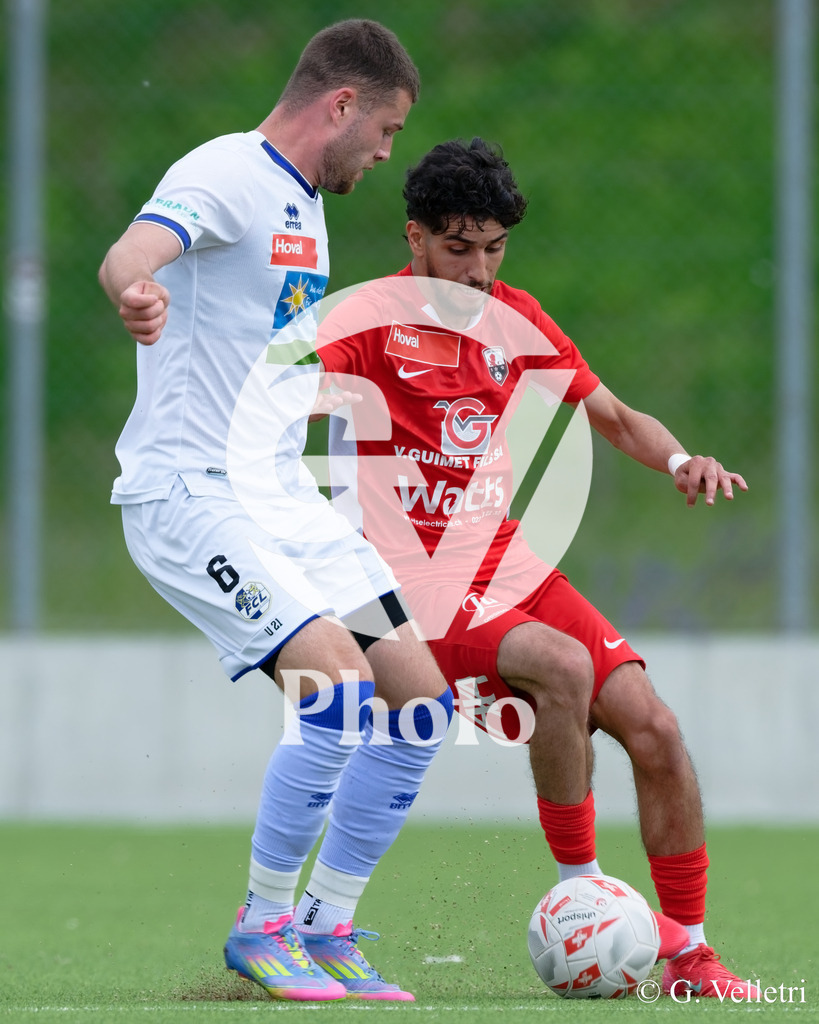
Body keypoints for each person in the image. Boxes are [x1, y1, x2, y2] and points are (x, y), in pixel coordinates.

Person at [317, 137, 759, 1000]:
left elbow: (617, 417)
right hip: (414, 589)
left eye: (493, 248)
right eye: (458, 247)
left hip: (506, 565)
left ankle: (691, 957)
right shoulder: (363, 322)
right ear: (414, 238)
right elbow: (274, 394)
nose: (479, 270)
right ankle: (581, 893)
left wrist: (679, 463)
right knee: (559, 666)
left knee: (656, 731)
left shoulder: (514, 318)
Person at [98, 20, 455, 1004]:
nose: (386, 154)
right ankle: (261, 927)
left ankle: (326, 925)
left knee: (422, 703)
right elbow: (135, 249)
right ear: (341, 104)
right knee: (336, 690)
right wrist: (133, 287)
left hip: (276, 497)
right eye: (383, 130)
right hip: (189, 496)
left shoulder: (304, 202)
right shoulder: (227, 173)